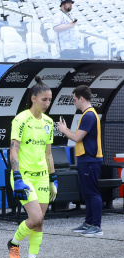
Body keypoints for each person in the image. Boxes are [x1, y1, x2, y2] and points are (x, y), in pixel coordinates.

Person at [6, 77, 57, 258]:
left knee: (40, 221)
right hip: (24, 176)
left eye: (49, 100)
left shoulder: (48, 122)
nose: (47, 103)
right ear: (33, 98)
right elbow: (13, 151)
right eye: (44, 99)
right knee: (34, 217)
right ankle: (13, 243)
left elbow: (48, 154)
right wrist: (17, 177)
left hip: (42, 177)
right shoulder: (21, 119)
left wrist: (53, 179)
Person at [57, 85, 103, 237]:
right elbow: (78, 136)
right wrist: (66, 130)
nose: (74, 102)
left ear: (81, 98)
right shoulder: (87, 115)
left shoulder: (89, 115)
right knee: (87, 192)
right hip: (85, 159)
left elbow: (77, 138)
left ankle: (96, 225)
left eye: (74, 99)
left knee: (92, 192)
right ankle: (89, 223)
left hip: (90, 159)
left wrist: (64, 131)